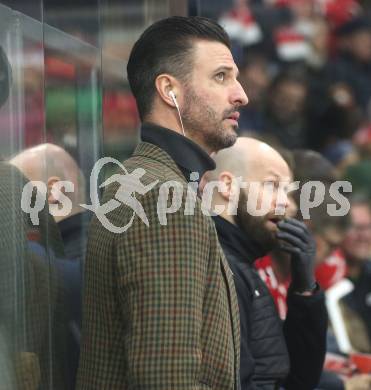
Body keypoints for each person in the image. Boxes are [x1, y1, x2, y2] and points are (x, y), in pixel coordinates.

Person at [77, 16, 248, 390]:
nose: (240, 94)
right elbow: (165, 379)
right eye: (221, 77)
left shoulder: (147, 182)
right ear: (169, 90)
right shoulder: (163, 198)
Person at [205, 137, 327, 389]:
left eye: (286, 191)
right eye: (272, 185)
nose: (285, 203)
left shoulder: (242, 263)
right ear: (228, 186)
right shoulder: (219, 266)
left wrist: (305, 290)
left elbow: (298, 380)